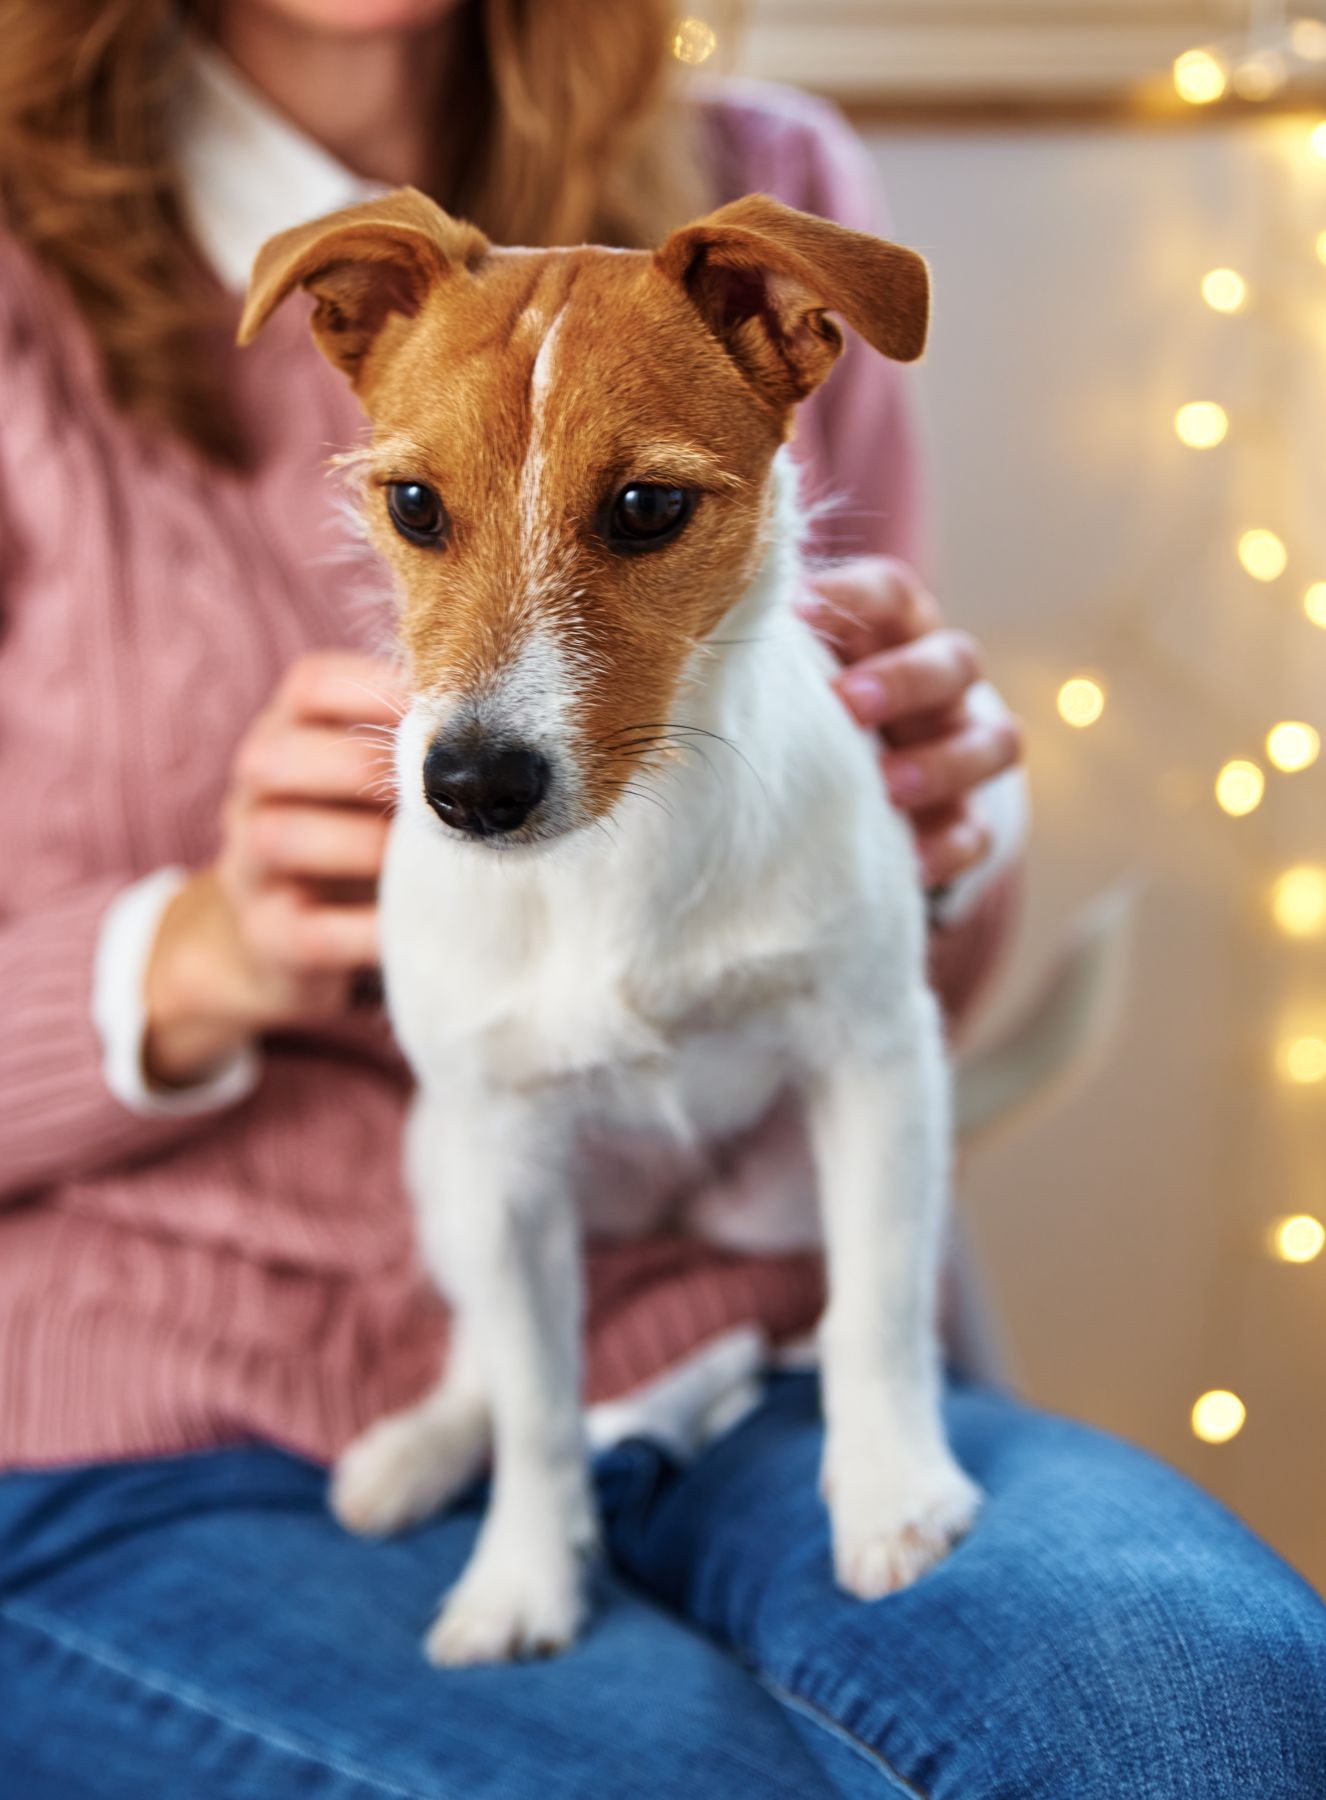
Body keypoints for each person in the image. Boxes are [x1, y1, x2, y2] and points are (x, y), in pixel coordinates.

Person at [0, 3, 1321, 1795]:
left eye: (641, 518)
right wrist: (182, 958)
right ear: (340, 324)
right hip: (142, 1422)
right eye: (412, 508)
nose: (498, 697)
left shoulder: (764, 194)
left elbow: (882, 995)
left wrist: (946, 820)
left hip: (739, 1345)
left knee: (1201, 1715)